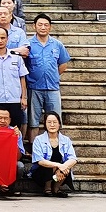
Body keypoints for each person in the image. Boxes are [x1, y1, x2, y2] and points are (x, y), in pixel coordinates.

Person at [27, 14, 72, 143]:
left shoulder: (57, 44)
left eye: (46, 25)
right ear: (34, 26)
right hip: (34, 88)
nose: (43, 27)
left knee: (55, 120)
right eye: (40, 25)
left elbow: (63, 64)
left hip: (52, 88)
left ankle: (55, 146)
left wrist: (54, 75)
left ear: (50, 27)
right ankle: (34, 147)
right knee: (33, 121)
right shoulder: (28, 44)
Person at [0, 25, 29, 132]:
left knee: (15, 130)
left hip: (14, 99)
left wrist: (24, 97)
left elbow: (22, 78)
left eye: (3, 38)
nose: (0, 41)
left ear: (7, 39)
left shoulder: (16, 57)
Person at [31, 111, 78, 197]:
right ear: (45, 124)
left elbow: (73, 158)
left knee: (67, 166)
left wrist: (62, 167)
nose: (52, 125)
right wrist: (58, 165)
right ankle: (47, 188)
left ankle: (56, 188)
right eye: (49, 122)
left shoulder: (66, 140)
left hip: (60, 173)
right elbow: (40, 161)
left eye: (55, 122)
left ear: (59, 124)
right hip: (42, 173)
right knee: (49, 165)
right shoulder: (38, 140)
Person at [0, 106, 25, 195]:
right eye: (0, 118)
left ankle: (9, 187)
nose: (3, 121)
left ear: (10, 120)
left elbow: (18, 157)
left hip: (7, 162)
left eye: (6, 118)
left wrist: (15, 138)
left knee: (20, 166)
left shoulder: (14, 131)